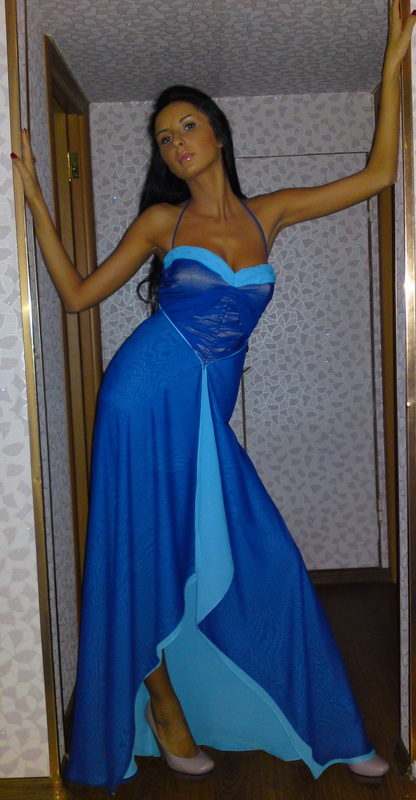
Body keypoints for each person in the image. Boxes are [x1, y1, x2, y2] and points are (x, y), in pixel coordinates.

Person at [12, 1, 415, 794]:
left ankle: (334, 730)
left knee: (269, 561)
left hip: (203, 418)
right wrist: (32, 199)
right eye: (164, 137)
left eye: (187, 125)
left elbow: (379, 175)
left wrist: (394, 66)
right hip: (140, 399)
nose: (176, 142)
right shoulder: (163, 221)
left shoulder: (271, 213)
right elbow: (79, 296)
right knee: (142, 558)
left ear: (219, 134)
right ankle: (164, 710)